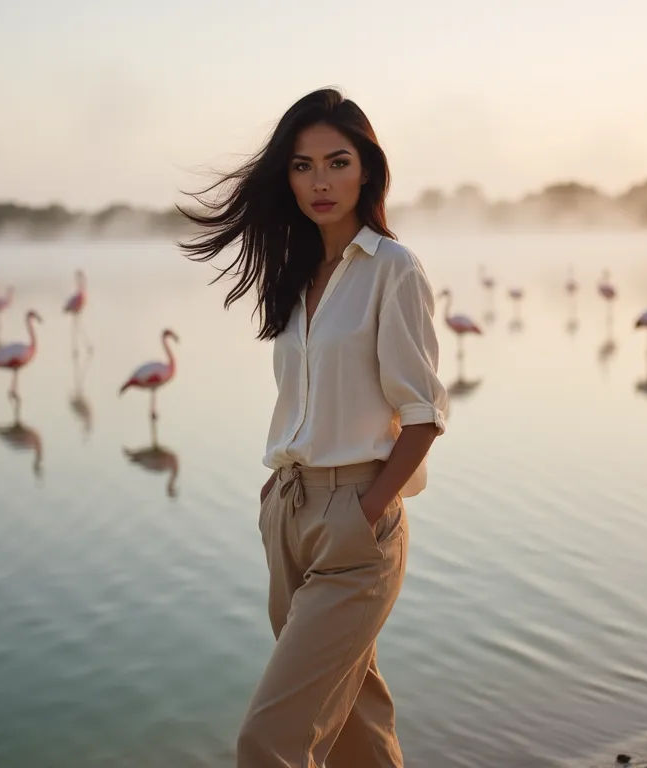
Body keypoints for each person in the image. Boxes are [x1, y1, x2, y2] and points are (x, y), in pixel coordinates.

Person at [180, 87, 448, 767]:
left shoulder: (394, 269)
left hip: (358, 518)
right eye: (302, 166)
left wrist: (367, 508)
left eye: (337, 161)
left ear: (367, 170)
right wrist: (277, 501)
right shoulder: (299, 274)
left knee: (269, 741)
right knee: (355, 725)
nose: (320, 182)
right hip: (290, 513)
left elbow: (422, 414)